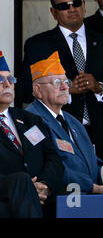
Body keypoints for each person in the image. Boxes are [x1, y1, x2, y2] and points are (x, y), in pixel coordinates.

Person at [17, 0, 103, 162]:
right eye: (63, 6)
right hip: (59, 133)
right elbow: (24, 90)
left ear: (84, 5)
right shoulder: (38, 45)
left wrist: (99, 87)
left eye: (76, 3)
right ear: (53, 12)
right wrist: (67, 89)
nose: (72, 9)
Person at [26, 51, 103, 195]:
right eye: (56, 82)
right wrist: (92, 187)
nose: (64, 87)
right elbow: (49, 165)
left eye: (66, 82)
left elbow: (92, 161)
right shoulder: (31, 120)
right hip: (62, 201)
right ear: (38, 90)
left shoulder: (72, 120)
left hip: (88, 200)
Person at [0, 51, 64, 218]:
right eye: (0, 80)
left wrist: (44, 185)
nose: (7, 84)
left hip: (43, 200)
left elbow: (53, 158)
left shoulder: (29, 119)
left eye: (11, 79)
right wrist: (26, 187)